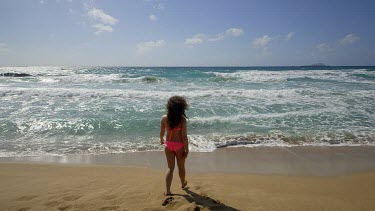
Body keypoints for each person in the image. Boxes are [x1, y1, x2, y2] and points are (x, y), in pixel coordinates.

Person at [160, 96, 189, 196]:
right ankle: (183, 184)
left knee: (170, 168)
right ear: (182, 108)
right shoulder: (182, 120)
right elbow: (184, 137)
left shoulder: (164, 118)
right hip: (179, 146)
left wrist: (161, 140)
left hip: (168, 145)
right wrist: (187, 149)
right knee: (181, 167)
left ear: (169, 107)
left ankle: (168, 191)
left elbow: (161, 133)